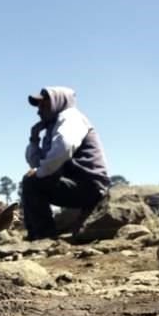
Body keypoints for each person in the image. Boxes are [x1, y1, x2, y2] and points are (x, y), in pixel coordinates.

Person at [22, 86, 110, 239]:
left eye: (44, 105)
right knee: (31, 181)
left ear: (58, 101)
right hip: (77, 184)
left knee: (32, 182)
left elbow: (64, 146)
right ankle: (36, 236)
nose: (38, 111)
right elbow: (37, 163)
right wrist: (34, 138)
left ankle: (43, 238)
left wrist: (39, 172)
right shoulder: (52, 129)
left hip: (89, 185)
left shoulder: (70, 117)